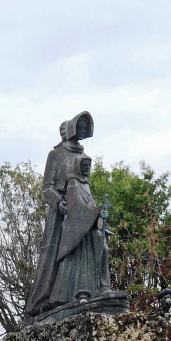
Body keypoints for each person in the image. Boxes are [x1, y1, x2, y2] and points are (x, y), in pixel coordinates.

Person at [24, 111, 94, 316]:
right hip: (61, 212)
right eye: (78, 127)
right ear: (68, 131)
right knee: (58, 253)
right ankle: (50, 298)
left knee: (86, 248)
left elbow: (84, 185)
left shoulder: (83, 156)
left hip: (79, 208)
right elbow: (46, 188)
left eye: (84, 128)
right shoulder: (55, 155)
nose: (81, 130)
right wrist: (59, 203)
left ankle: (82, 291)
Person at [48, 155, 110, 306]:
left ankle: (103, 286)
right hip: (76, 230)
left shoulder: (86, 184)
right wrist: (96, 213)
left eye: (89, 166)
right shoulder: (73, 183)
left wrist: (102, 218)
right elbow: (77, 205)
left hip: (90, 227)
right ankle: (86, 290)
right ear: (78, 166)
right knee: (89, 253)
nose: (87, 168)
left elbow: (91, 204)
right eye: (84, 166)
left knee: (104, 249)